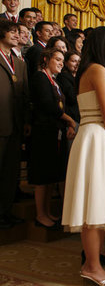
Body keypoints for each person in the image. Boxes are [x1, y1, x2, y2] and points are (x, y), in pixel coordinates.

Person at [61, 27, 105, 285]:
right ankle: (91, 265)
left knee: (96, 205)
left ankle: (94, 261)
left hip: (94, 136)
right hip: (96, 138)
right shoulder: (98, 69)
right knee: (92, 207)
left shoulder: (93, 69)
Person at [29, 48, 76, 228]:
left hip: (54, 131)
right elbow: (49, 105)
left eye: (62, 60)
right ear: (46, 59)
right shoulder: (40, 77)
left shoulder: (53, 80)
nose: (60, 63)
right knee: (42, 175)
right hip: (42, 132)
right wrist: (70, 120)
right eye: (57, 59)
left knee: (50, 175)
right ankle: (40, 214)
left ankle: (47, 211)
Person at [0, 20, 30, 229]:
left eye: (17, 32)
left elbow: (25, 94)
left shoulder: (19, 62)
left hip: (15, 123)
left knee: (10, 173)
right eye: (11, 31)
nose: (16, 35)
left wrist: (26, 120)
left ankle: (5, 211)